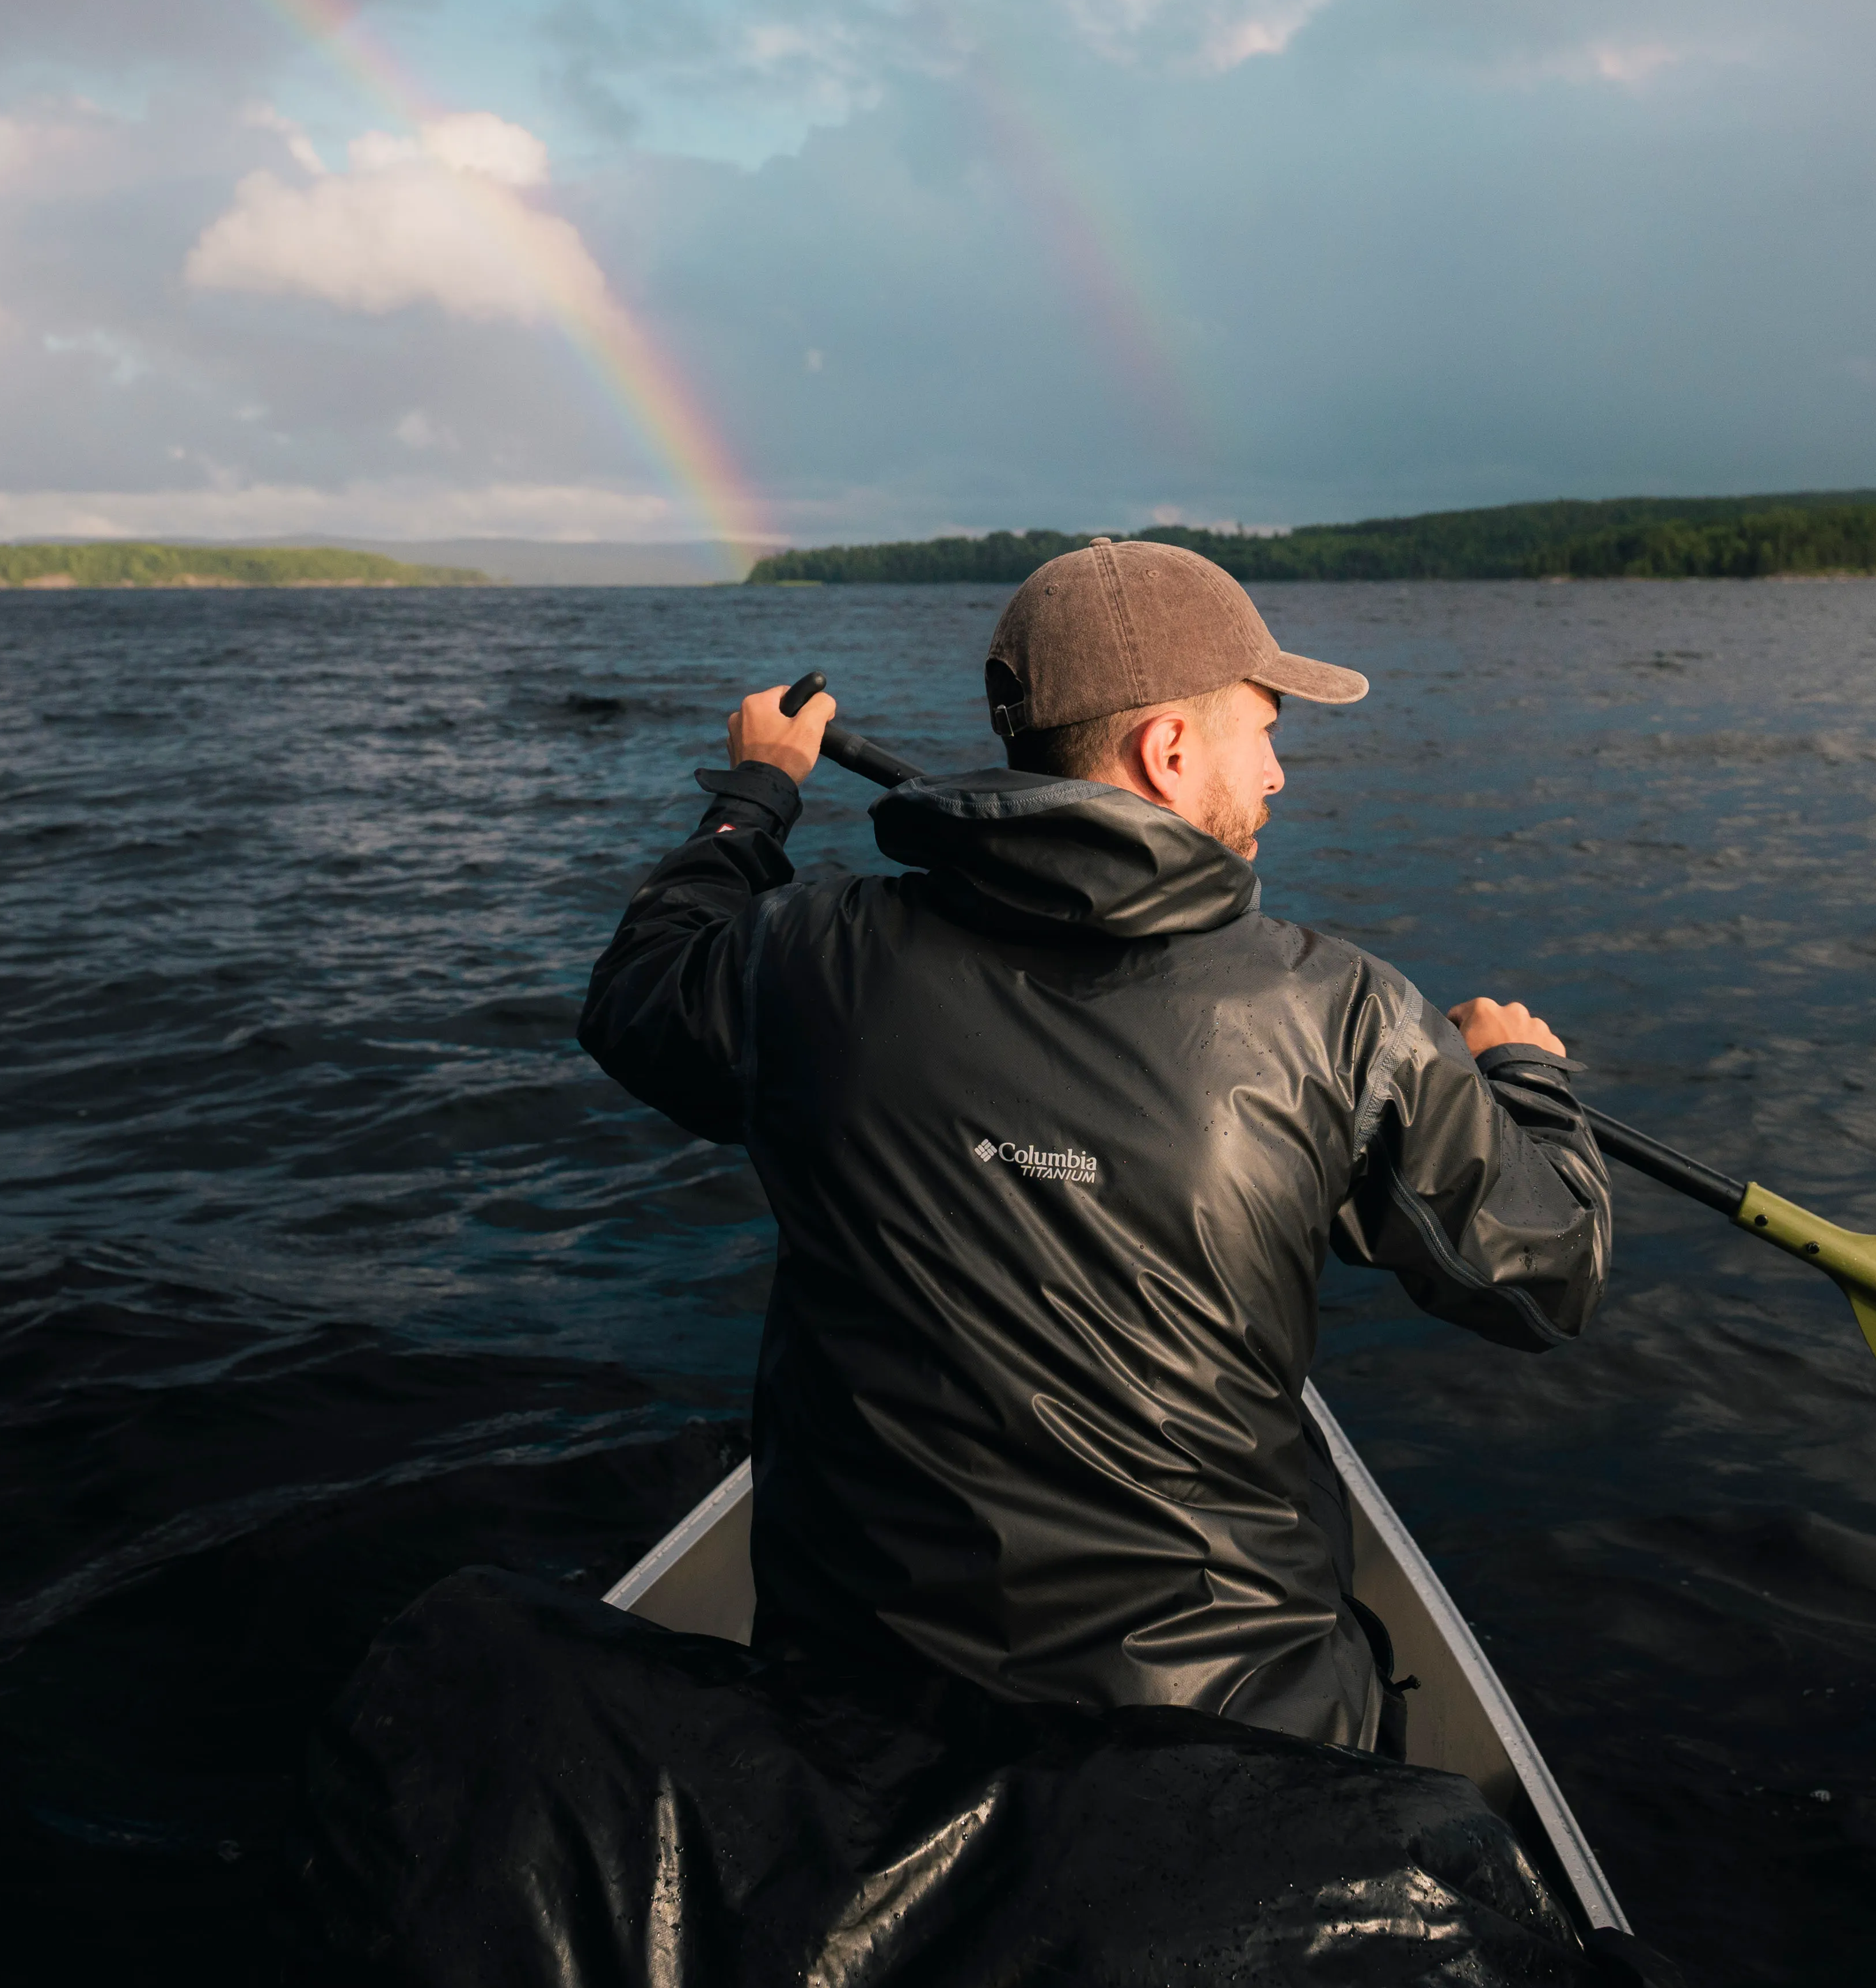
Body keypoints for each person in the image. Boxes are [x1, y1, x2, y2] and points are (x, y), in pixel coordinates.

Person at [576, 534, 1610, 1749]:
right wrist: (1524, 1076)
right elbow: (1549, 1274)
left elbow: (639, 993)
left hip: (855, 1706)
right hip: (1231, 1738)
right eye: (1265, 729)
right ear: (1169, 751)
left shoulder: (807, 956)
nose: (1279, 773)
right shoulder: (1341, 1016)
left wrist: (755, 797)